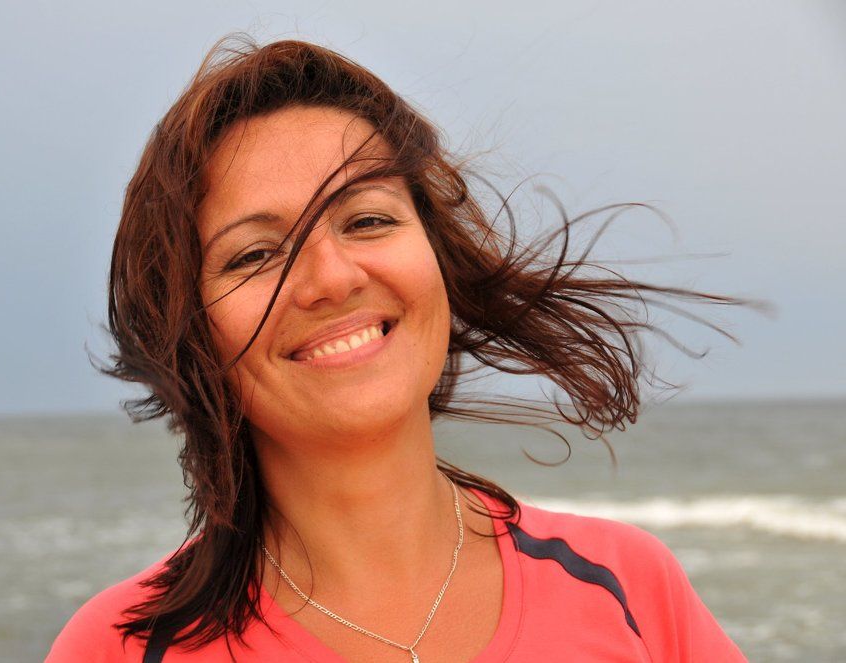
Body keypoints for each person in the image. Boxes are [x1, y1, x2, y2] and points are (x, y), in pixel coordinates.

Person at [46, 35, 747, 662]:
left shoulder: (629, 588)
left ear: (437, 256)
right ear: (189, 332)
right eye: (256, 254)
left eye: (367, 219)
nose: (333, 278)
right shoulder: (118, 649)